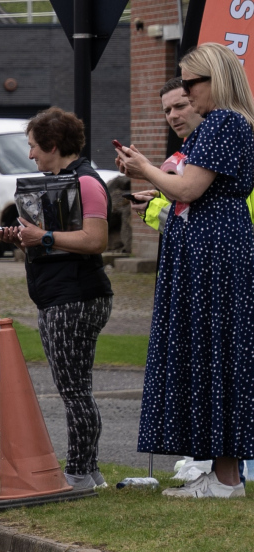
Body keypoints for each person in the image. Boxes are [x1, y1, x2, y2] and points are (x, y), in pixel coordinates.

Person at [116, 42, 254, 499]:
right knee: (216, 351)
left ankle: (225, 477)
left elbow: (189, 188)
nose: (187, 93)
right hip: (216, 246)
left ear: (214, 79)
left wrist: (144, 169)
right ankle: (221, 471)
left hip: (213, 251)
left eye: (192, 83)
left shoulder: (222, 123)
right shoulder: (229, 125)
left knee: (214, 350)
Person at [0, 107, 112, 491]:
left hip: (74, 298)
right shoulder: (61, 180)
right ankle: (89, 470)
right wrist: (22, 236)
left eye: (33, 147)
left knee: (74, 389)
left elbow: (96, 240)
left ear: (52, 145)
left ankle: (78, 473)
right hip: (62, 295)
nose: (30, 155)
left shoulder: (86, 182)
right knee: (77, 387)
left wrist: (43, 238)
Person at [130, 79, 202, 228]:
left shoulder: (216, 144)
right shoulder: (190, 147)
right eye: (167, 111)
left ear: (198, 102)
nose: (172, 116)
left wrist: (154, 209)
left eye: (180, 106)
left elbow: (200, 220)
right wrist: (164, 196)